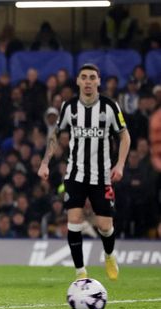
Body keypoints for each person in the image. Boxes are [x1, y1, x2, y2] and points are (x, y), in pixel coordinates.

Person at [37, 63, 130, 281]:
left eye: (92, 77)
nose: (88, 81)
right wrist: (44, 162)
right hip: (75, 174)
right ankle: (80, 272)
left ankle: (109, 255)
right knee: (74, 221)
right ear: (78, 81)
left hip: (102, 175)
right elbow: (54, 135)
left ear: (98, 81)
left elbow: (124, 136)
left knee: (104, 226)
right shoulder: (69, 107)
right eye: (84, 77)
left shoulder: (109, 107)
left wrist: (120, 164)